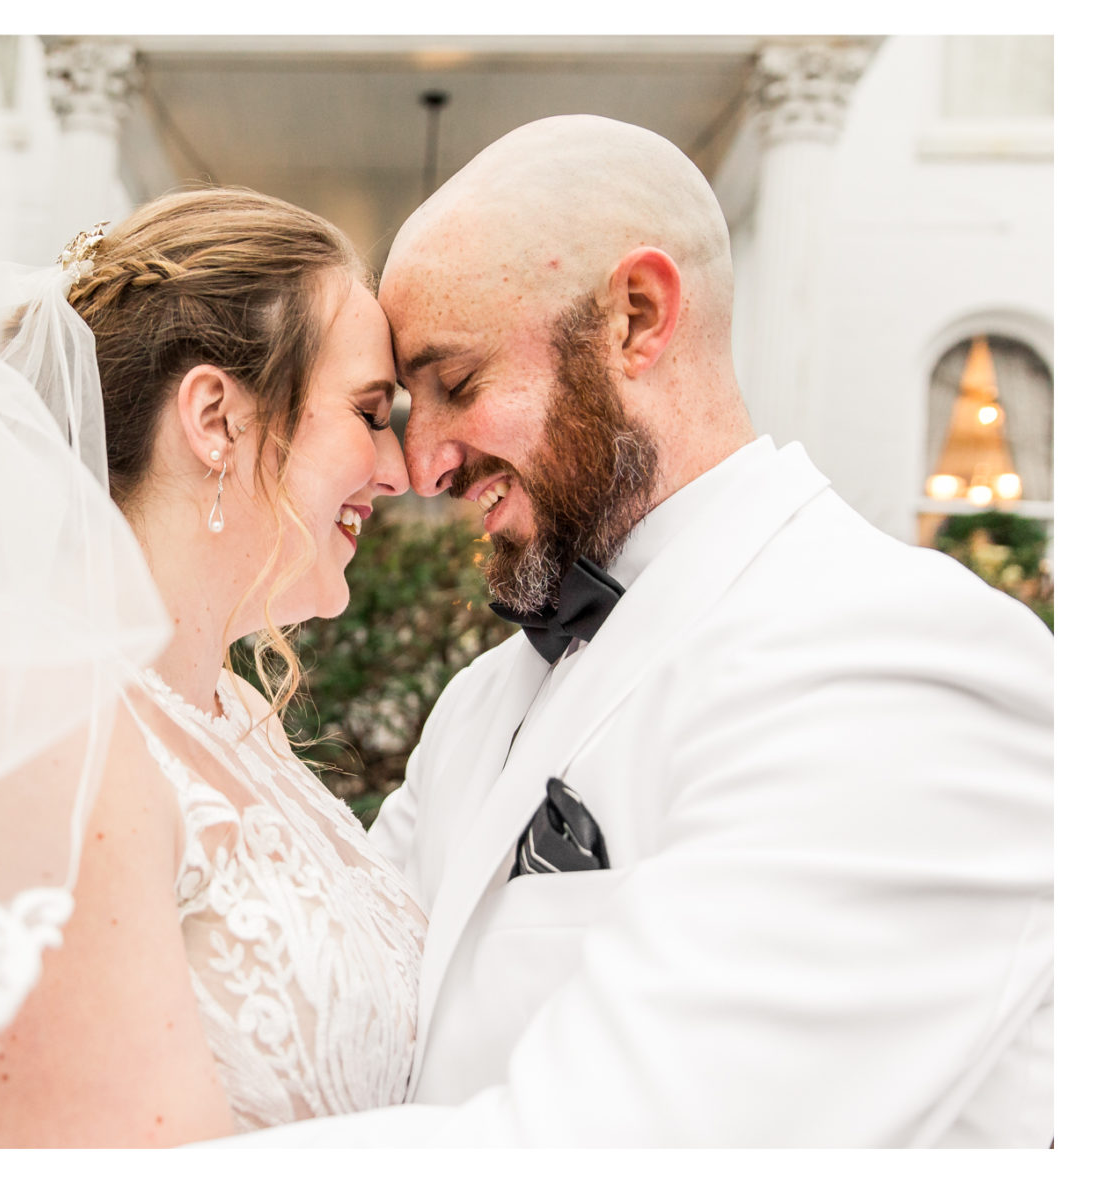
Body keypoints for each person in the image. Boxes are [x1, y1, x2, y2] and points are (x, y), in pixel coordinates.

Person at [210, 114, 1052, 1147]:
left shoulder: (903, 662)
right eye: (396, 410)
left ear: (635, 319)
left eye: (457, 384)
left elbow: (616, 1145)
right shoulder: (478, 702)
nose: (420, 467)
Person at [0, 186, 425, 1148]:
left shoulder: (234, 715)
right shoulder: (9, 716)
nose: (401, 470)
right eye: (370, 412)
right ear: (217, 417)